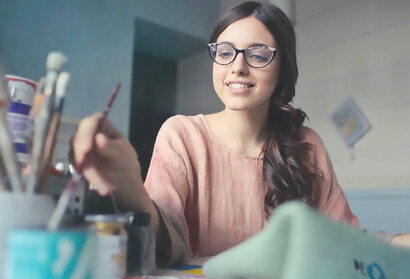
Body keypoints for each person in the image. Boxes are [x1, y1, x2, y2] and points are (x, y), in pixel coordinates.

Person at [72, 1, 360, 265]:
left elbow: (342, 240)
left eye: (258, 55)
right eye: (225, 53)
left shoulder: (306, 145)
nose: (237, 67)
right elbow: (163, 237)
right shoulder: (182, 134)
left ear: (283, 68)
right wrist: (129, 182)